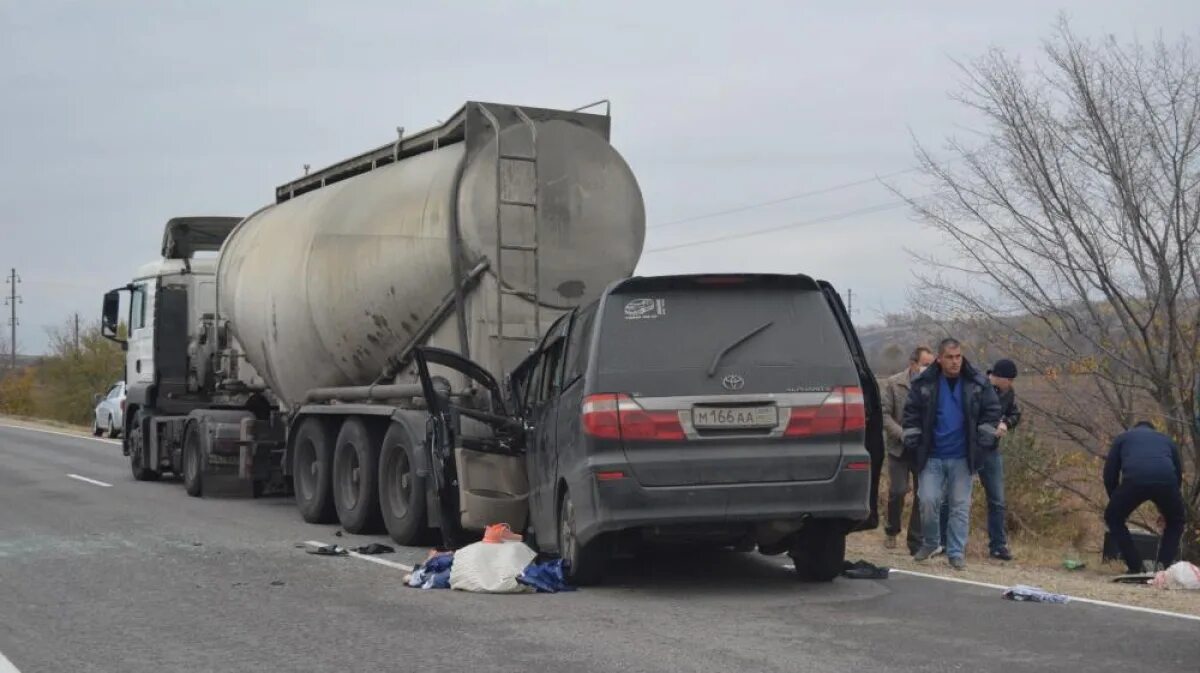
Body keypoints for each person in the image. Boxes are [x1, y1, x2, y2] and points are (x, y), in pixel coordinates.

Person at [902, 338, 1001, 571]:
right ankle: (931, 542)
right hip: (932, 455)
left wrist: (985, 435)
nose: (955, 362)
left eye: (958, 357)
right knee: (927, 500)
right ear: (940, 359)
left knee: (959, 506)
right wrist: (912, 438)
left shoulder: (977, 381)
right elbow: (911, 412)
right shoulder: (925, 383)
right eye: (950, 357)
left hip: (962, 456)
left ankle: (955, 552)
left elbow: (992, 409)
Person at [939, 358, 1022, 560]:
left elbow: (1015, 412)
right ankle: (942, 541)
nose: (1010, 384)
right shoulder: (975, 388)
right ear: (998, 376)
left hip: (991, 451)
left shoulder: (1007, 393)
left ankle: (997, 545)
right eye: (1009, 379)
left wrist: (1006, 424)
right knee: (952, 498)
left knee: (997, 500)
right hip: (966, 449)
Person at [1103, 421, 1186, 574]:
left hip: (1135, 479)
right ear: (1153, 429)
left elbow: (1110, 474)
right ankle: (1162, 567)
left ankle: (1135, 566)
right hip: (1167, 481)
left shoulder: (1123, 438)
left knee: (1113, 518)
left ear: (1134, 428)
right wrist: (1166, 510)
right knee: (1176, 521)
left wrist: (1115, 502)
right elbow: (1177, 474)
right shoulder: (1167, 440)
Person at [880, 345, 935, 554]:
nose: (929, 369)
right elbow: (884, 415)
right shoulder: (894, 384)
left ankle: (915, 541)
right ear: (913, 364)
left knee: (923, 495)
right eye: (925, 364)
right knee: (898, 490)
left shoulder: (935, 386)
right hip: (899, 448)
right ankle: (892, 529)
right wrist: (902, 434)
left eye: (932, 365)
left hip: (922, 450)